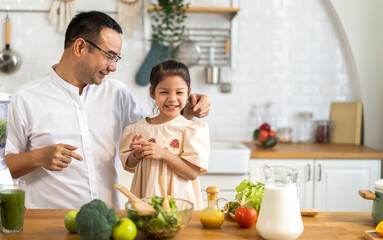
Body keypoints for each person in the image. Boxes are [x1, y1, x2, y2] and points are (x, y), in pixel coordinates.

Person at [5, 11, 210, 209]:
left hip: (110, 219)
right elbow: (3, 168)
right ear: (80, 47)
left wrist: (188, 110)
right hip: (49, 223)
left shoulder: (117, 93)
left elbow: (158, 130)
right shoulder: (24, 98)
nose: (113, 67)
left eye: (116, 59)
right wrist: (37, 157)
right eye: (109, 56)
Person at [119, 60, 209, 210]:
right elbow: (129, 164)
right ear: (152, 93)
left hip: (180, 202)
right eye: (164, 92)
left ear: (188, 92)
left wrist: (164, 154)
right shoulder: (137, 129)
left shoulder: (191, 129)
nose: (172, 98)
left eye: (179, 92)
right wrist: (136, 156)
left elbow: (192, 173)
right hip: (146, 200)